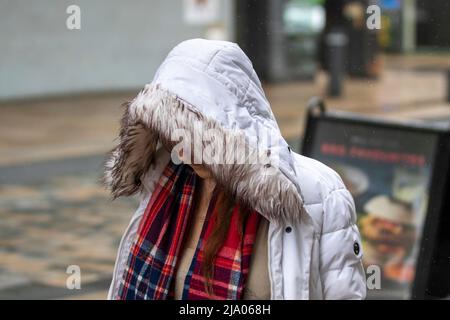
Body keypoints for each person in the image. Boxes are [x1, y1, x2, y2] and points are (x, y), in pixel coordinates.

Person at [104, 39, 366, 300]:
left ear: (223, 130)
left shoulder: (318, 194)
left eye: (192, 137)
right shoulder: (165, 180)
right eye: (172, 136)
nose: (180, 153)